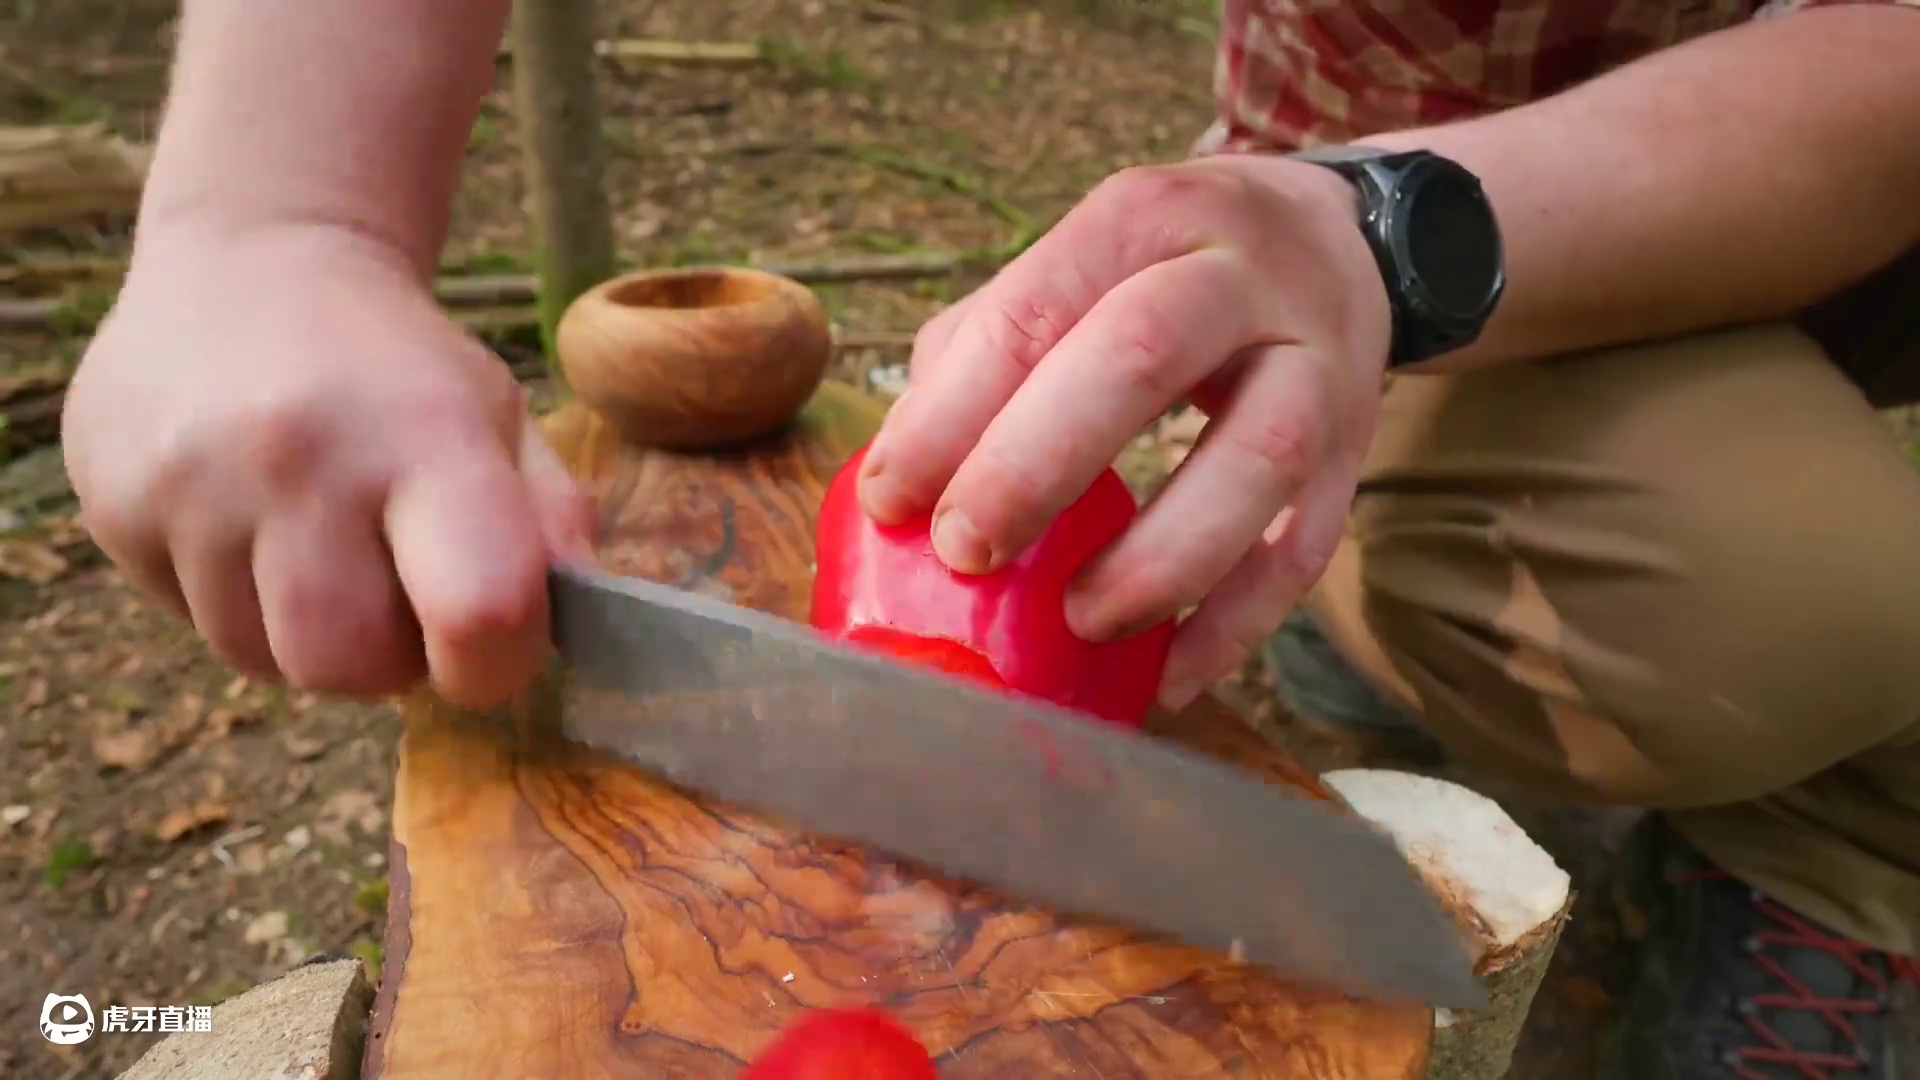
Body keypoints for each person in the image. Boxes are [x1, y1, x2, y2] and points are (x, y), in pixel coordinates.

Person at [58, 0, 1919, 1074]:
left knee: (1809, 605)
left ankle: (1842, 862)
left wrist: (1375, 232)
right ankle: (1349, 583)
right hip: (1311, 259)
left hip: (1767, 251)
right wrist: (273, 210)